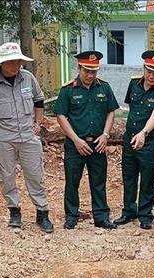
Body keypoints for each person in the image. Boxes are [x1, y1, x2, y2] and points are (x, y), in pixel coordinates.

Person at [0, 42, 53, 233]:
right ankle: (14, 211)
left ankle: (42, 213)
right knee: (6, 176)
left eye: (18, 61)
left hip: (28, 135)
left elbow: (39, 99)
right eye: (11, 62)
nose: (15, 66)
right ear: (1, 63)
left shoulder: (28, 78)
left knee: (36, 175)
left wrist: (38, 121)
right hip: (3, 137)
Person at [55, 51, 119, 230]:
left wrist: (106, 135)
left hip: (98, 143)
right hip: (76, 144)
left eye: (94, 71)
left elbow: (111, 111)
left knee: (99, 181)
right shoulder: (68, 89)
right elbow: (61, 116)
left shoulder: (104, 88)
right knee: (72, 181)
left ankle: (101, 216)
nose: (90, 75)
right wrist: (75, 140)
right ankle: (71, 216)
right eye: (87, 71)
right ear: (79, 68)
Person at [113, 50, 154, 230]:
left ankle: (145, 214)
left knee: (146, 178)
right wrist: (134, 133)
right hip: (129, 140)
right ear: (144, 68)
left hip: (148, 142)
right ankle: (128, 210)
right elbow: (131, 107)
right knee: (128, 175)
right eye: (149, 70)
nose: (151, 75)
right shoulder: (134, 83)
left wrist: (143, 133)